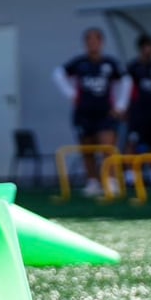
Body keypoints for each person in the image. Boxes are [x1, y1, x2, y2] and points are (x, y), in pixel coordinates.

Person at [53, 28, 124, 196]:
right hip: (83, 113)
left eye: (95, 40)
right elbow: (57, 74)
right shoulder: (80, 63)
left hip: (105, 112)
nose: (92, 44)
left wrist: (121, 106)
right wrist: (71, 94)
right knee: (87, 149)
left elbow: (126, 81)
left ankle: (111, 181)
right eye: (89, 41)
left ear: (101, 42)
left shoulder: (110, 63)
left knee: (107, 147)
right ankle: (92, 182)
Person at [124, 34, 151, 154]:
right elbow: (126, 90)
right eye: (149, 46)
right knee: (132, 141)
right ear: (142, 48)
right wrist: (126, 108)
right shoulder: (132, 67)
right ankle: (128, 166)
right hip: (137, 110)